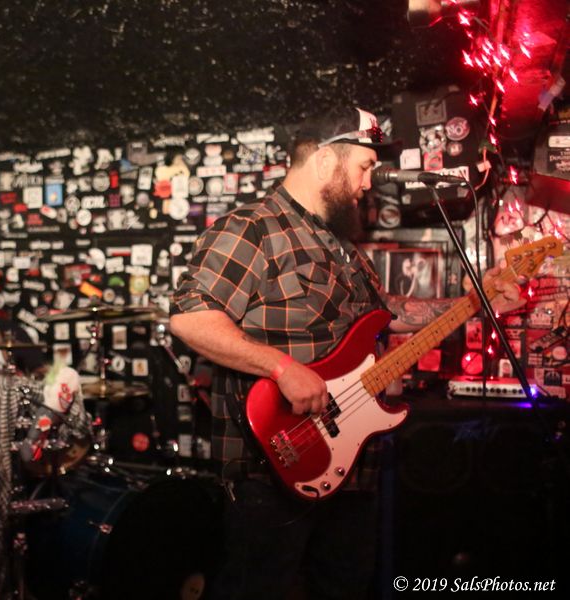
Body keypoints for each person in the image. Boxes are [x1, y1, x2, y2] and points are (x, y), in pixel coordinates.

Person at [169, 107, 523, 599]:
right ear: (323, 160)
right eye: (364, 166)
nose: (369, 181)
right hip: (274, 466)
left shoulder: (342, 246)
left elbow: (388, 312)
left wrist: (477, 301)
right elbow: (190, 319)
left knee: (346, 586)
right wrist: (282, 367)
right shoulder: (251, 229)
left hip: (352, 466)